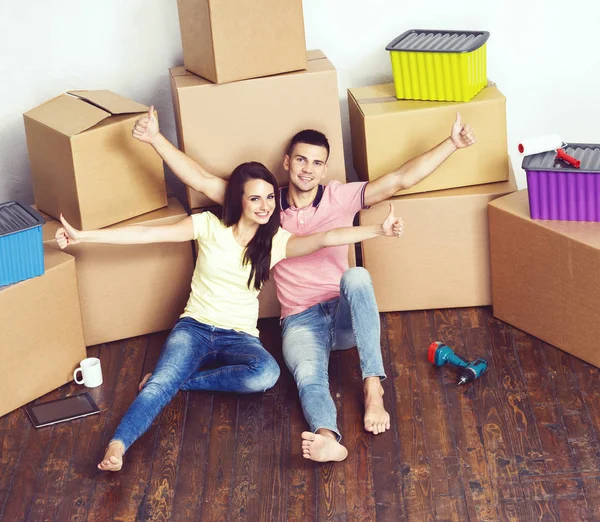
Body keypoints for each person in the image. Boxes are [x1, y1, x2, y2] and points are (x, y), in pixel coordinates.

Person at [130, 106, 476, 462]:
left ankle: (373, 388)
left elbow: (400, 179)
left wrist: (451, 143)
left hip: (343, 316)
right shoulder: (264, 205)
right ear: (286, 162)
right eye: (300, 160)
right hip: (299, 319)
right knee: (309, 378)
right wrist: (155, 138)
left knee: (356, 277)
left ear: (324, 169)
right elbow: (202, 180)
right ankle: (328, 438)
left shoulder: (341, 197)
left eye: (316, 163)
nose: (307, 169)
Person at [55, 161, 404, 472]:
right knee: (159, 384)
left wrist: (377, 231)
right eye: (255, 198)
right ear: (239, 199)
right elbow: (147, 233)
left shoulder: (275, 242)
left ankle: (184, 382)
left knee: (265, 373)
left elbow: (327, 237)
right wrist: (84, 236)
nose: (266, 205)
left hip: (240, 337)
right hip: (193, 328)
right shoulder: (208, 225)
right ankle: (119, 444)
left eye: (270, 197)